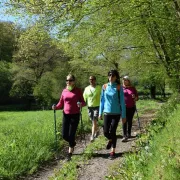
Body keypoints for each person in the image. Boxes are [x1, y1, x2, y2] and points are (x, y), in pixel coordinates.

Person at [52, 74, 85, 160]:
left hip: (75, 115)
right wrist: (56, 107)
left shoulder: (78, 91)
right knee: (64, 135)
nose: (68, 82)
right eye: (67, 80)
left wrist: (80, 104)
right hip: (66, 115)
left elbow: (83, 102)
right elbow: (60, 103)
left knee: (71, 134)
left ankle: (69, 153)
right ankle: (73, 143)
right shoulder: (64, 91)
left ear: (74, 81)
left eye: (70, 80)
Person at [99, 70, 126, 160]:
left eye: (113, 76)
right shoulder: (104, 86)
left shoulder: (118, 87)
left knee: (113, 131)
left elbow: (122, 102)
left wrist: (124, 116)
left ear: (116, 77)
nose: (111, 77)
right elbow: (102, 101)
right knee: (106, 132)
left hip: (116, 113)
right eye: (109, 75)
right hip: (107, 112)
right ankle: (110, 140)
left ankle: (112, 151)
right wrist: (100, 112)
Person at [83, 76, 101, 142]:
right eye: (90, 79)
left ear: (95, 80)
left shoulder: (99, 88)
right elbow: (84, 98)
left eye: (93, 79)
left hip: (97, 106)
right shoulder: (86, 88)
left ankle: (92, 136)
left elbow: (102, 97)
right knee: (93, 121)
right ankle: (97, 131)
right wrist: (81, 104)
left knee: (94, 120)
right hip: (90, 107)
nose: (91, 81)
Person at [122, 75, 138, 142]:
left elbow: (137, 98)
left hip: (131, 107)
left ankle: (129, 133)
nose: (125, 81)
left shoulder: (132, 88)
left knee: (130, 120)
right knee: (124, 121)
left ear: (129, 81)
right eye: (124, 80)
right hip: (123, 107)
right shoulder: (121, 88)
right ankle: (124, 135)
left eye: (126, 80)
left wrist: (134, 97)